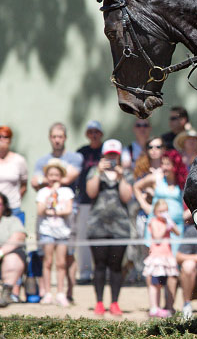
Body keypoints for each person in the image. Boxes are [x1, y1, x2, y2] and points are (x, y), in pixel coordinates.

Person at [86, 139, 134, 316]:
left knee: (115, 266)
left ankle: (114, 302)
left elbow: (126, 197)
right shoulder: (94, 171)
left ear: (120, 157)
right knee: (99, 265)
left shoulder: (126, 174)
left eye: (115, 155)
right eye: (109, 155)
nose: (112, 159)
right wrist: (98, 172)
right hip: (97, 227)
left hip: (119, 228)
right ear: (103, 156)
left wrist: (121, 177)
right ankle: (99, 302)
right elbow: (91, 192)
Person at [35, 159, 74, 307]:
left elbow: (68, 210)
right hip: (47, 231)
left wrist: (55, 210)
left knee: (61, 263)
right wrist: (50, 195)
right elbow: (40, 211)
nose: (53, 177)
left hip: (62, 232)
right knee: (47, 261)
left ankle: (60, 292)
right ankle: (47, 292)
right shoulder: (43, 192)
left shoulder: (67, 192)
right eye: (50, 174)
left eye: (56, 174)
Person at [133, 151, 185, 253]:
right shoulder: (157, 178)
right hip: (157, 225)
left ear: (176, 165)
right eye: (162, 164)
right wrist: (145, 206)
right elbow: (136, 187)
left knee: (174, 258)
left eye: (167, 164)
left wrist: (185, 215)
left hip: (176, 227)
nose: (164, 167)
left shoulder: (183, 181)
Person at [75, 120, 105, 284]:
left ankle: (103, 271)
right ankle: (85, 272)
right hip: (85, 200)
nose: (94, 135)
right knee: (84, 236)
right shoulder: (81, 152)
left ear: (101, 134)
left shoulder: (106, 151)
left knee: (105, 236)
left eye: (97, 132)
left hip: (104, 201)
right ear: (87, 134)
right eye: (91, 132)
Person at [0, 125, 28, 224]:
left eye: (5, 137)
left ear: (10, 140)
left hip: (12, 208)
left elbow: (24, 185)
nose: (2, 139)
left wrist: (15, 199)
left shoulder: (19, 160)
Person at [143, 199, 181, 318]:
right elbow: (157, 237)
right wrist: (166, 226)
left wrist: (171, 223)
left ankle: (167, 307)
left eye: (165, 211)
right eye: (161, 211)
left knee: (165, 283)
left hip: (167, 257)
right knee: (155, 284)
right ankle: (154, 307)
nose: (163, 213)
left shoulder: (167, 222)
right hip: (157, 257)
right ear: (155, 212)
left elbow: (178, 233)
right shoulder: (154, 221)